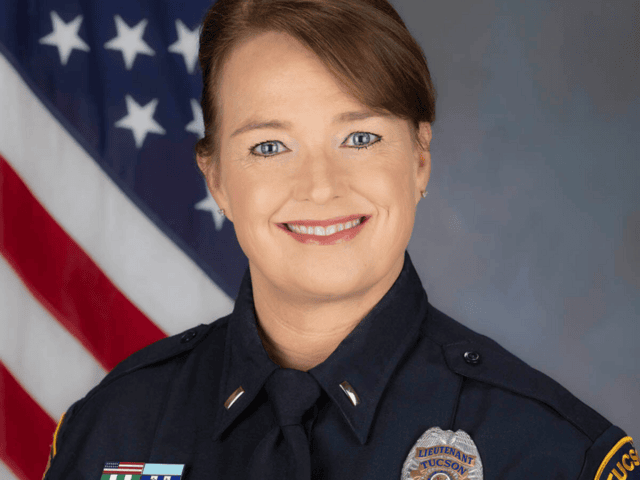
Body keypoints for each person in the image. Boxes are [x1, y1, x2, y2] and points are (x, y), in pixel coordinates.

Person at [43, 0, 637, 479]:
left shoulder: (555, 455)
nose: (320, 187)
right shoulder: (110, 428)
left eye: (360, 138)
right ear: (216, 179)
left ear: (420, 158)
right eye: (269, 146)